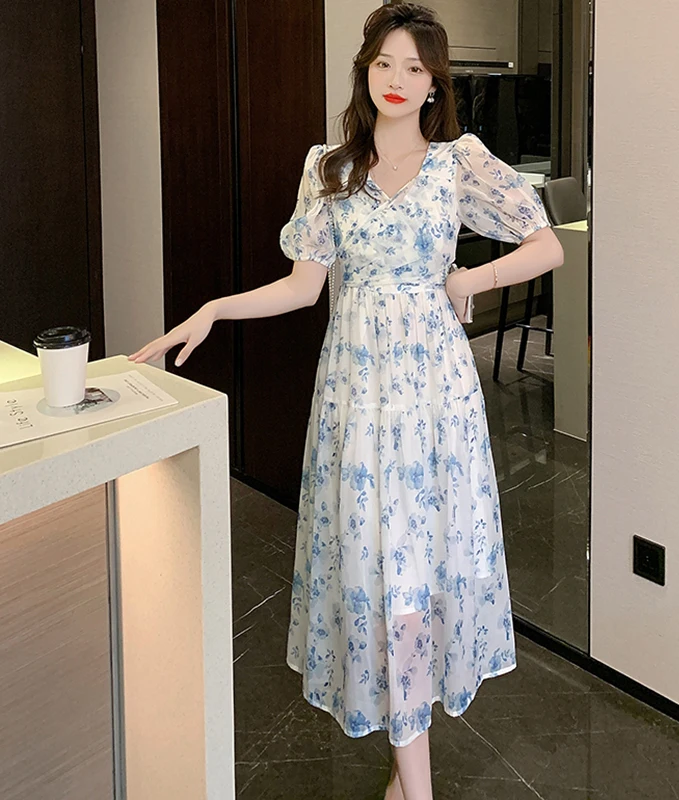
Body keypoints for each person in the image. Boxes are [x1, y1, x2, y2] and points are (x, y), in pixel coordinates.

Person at [129, 3, 563, 797]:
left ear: (434, 84)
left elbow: (548, 244)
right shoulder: (330, 169)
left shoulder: (456, 163)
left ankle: (411, 782)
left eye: (415, 67)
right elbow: (303, 287)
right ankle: (410, 776)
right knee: (377, 569)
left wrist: (472, 276)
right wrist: (214, 308)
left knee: (420, 569)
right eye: (384, 63)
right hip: (356, 399)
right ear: (365, 71)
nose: (397, 79)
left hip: (435, 398)